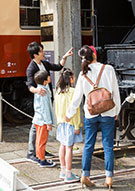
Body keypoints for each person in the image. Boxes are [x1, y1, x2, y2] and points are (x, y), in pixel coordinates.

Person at [65, 45, 121, 190]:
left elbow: (77, 98)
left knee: (88, 145)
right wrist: (116, 111)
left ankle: (85, 176)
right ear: (95, 55)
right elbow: (115, 92)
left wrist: (69, 114)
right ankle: (108, 177)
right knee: (108, 145)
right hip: (108, 112)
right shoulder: (108, 69)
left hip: (91, 114)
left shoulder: (83, 74)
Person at [25, 41, 73, 163]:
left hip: (46, 97)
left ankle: (40, 150)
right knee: (36, 126)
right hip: (40, 99)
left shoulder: (44, 63)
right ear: (35, 54)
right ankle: (32, 152)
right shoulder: (31, 68)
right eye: (41, 51)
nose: (43, 52)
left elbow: (58, 67)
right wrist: (37, 90)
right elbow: (29, 85)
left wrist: (65, 57)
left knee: (40, 128)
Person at [54, 68, 82, 182]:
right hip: (70, 124)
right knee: (69, 148)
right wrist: (77, 126)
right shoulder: (73, 91)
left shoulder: (58, 91)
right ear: (70, 79)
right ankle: (69, 175)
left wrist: (58, 121)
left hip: (61, 123)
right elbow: (75, 111)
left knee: (62, 146)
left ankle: (63, 171)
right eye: (73, 77)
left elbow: (56, 108)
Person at [32, 70, 56, 167]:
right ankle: (42, 159)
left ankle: (39, 157)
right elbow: (45, 108)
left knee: (38, 140)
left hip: (38, 119)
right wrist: (49, 123)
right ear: (45, 80)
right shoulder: (43, 92)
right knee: (42, 141)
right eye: (48, 76)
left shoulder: (39, 89)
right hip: (42, 121)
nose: (50, 77)